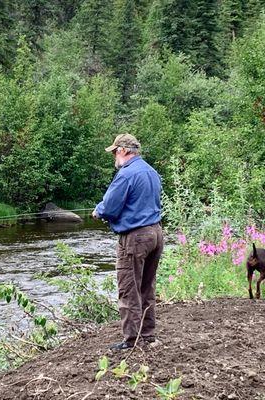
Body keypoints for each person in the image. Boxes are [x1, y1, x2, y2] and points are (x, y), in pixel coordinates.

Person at [92, 133, 164, 350]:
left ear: (123, 150)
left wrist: (98, 211)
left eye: (115, 151)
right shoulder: (151, 172)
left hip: (135, 238)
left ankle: (132, 340)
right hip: (156, 233)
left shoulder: (126, 174)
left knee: (129, 289)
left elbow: (110, 207)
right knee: (147, 287)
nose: (114, 156)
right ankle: (148, 335)